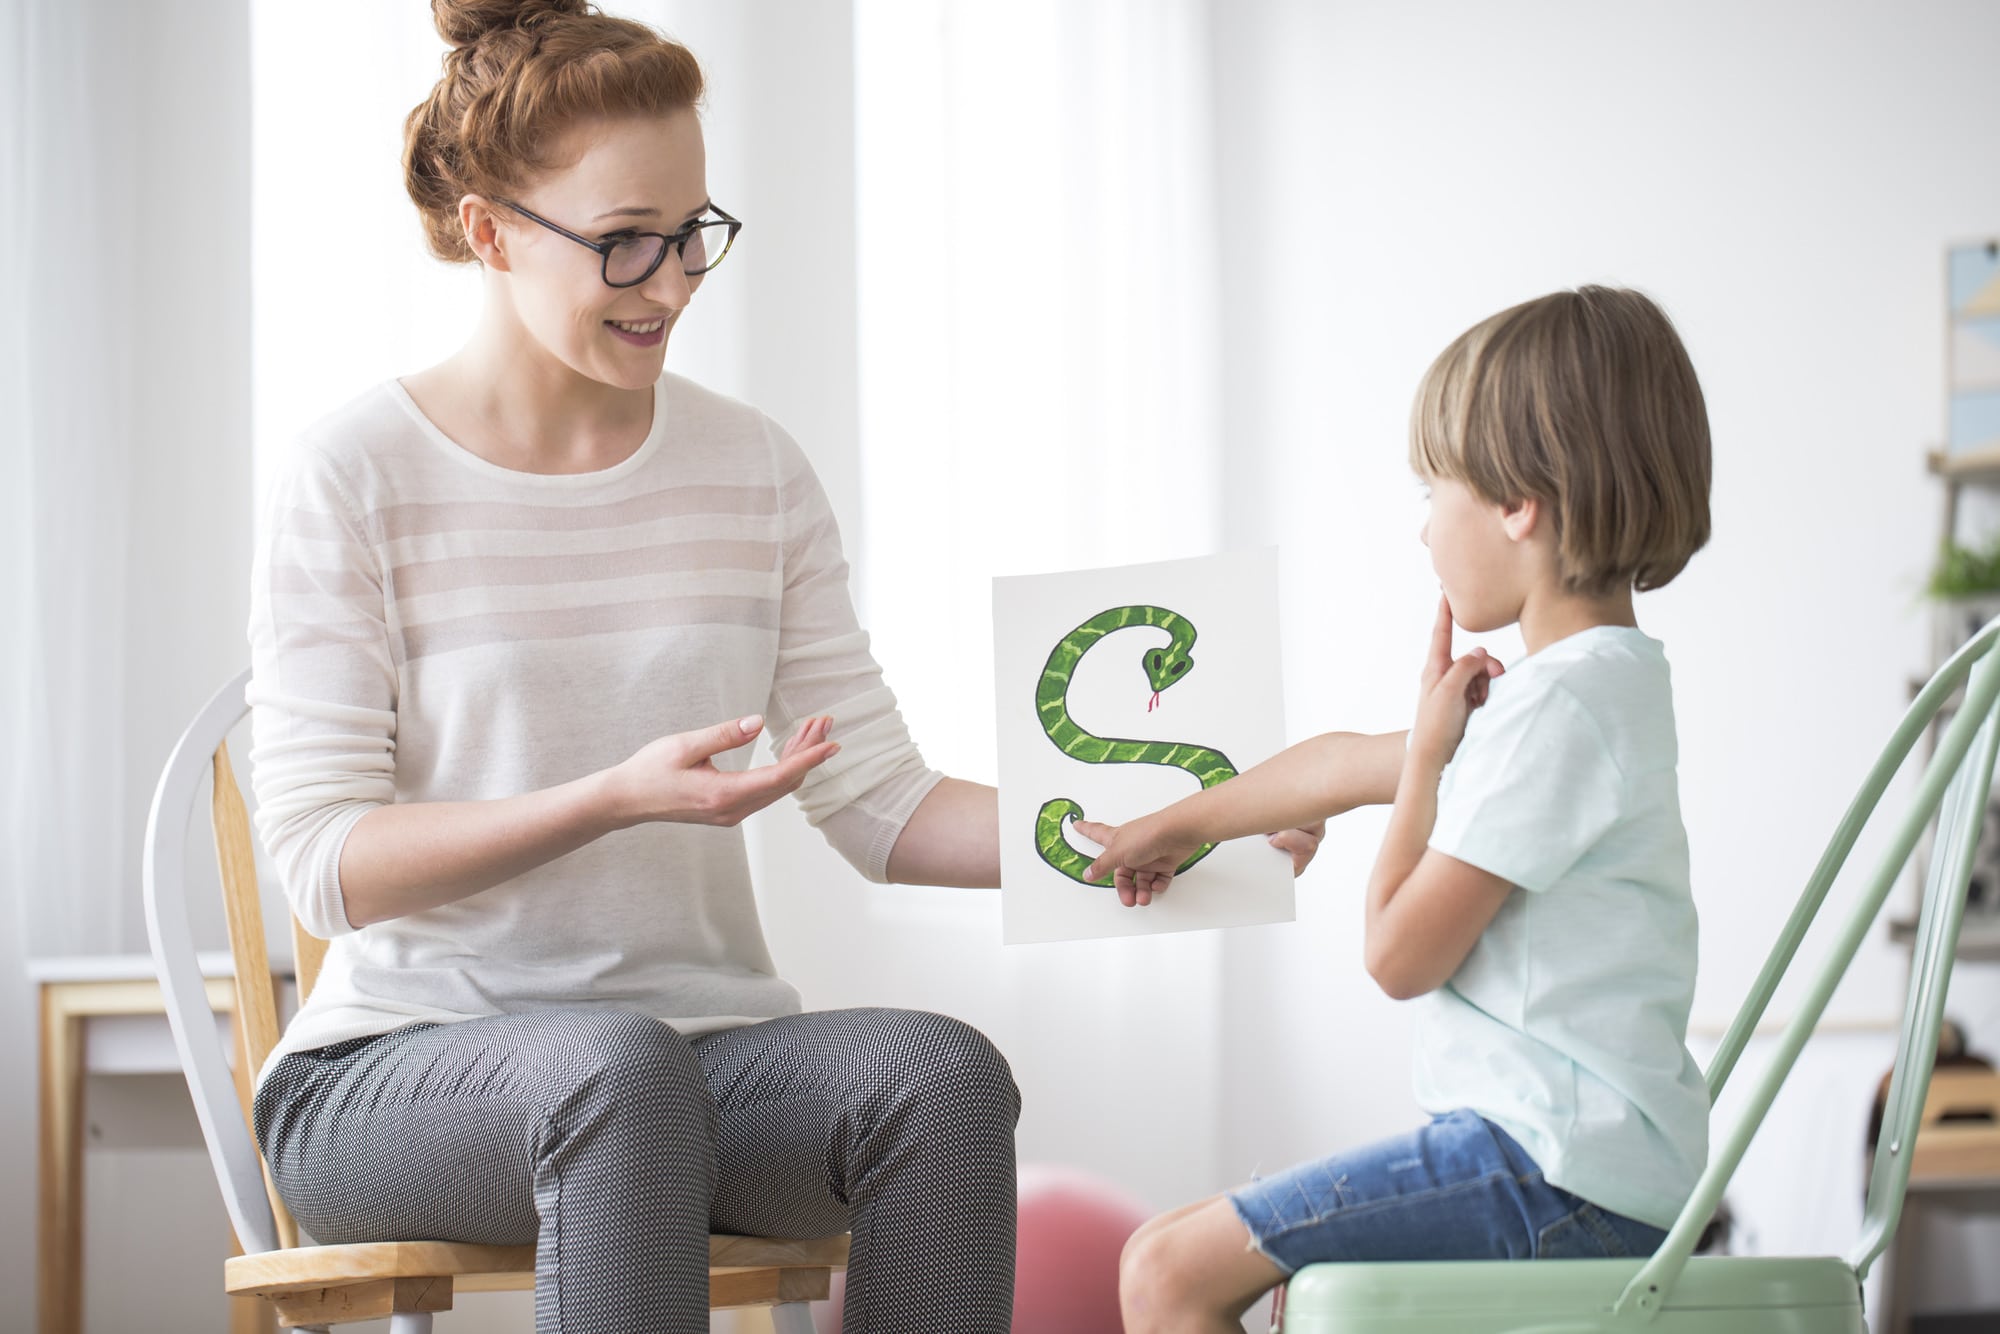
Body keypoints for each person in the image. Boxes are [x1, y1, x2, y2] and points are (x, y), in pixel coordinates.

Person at [245, 5, 1321, 1332]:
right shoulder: (355, 473)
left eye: (694, 232)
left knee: (941, 1073)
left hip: (687, 1069)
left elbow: (880, 804)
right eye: (625, 241)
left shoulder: (749, 469)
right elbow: (323, 861)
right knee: (613, 1073)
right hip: (393, 1078)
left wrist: (1193, 817)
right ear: (490, 231)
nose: (673, 280)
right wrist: (609, 795)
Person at [1079, 286, 1715, 1333]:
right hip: (1594, 1166)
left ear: (1518, 502)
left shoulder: (1551, 710)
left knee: (1165, 1272)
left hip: (1551, 1173)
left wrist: (1422, 766)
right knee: (1189, 1244)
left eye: (1434, 491)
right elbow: (1338, 764)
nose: (1423, 531)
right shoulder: (1595, 685)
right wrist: (1187, 819)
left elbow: (1394, 954)